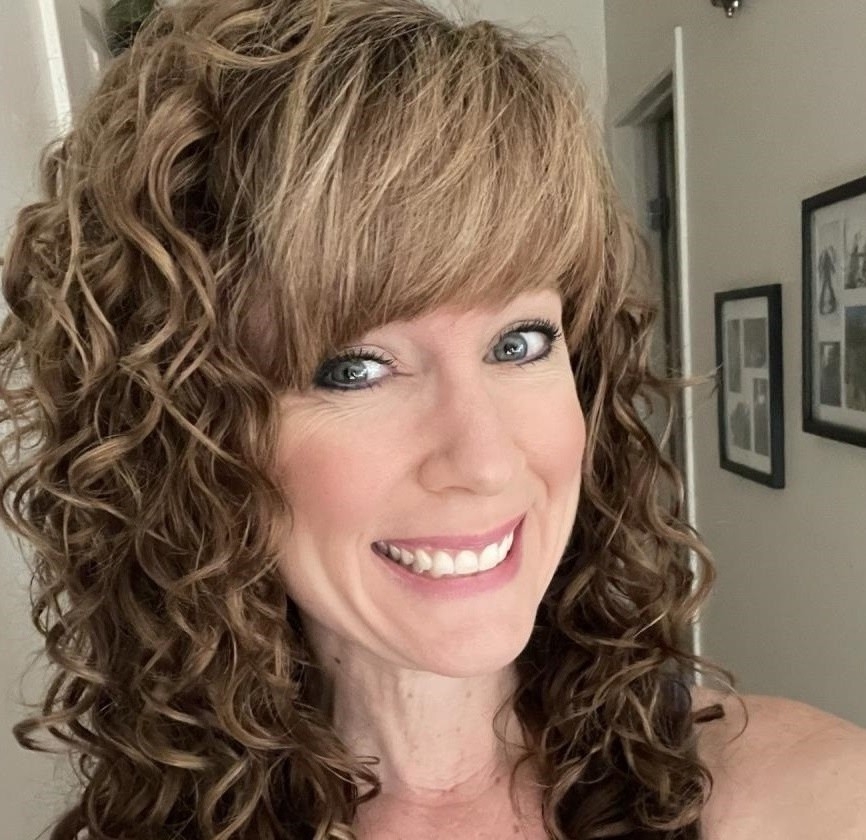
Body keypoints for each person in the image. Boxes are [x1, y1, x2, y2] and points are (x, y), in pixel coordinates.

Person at [1, 1, 865, 838]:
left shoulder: (797, 797)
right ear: (189, 436)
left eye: (519, 343)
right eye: (353, 368)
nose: (485, 461)